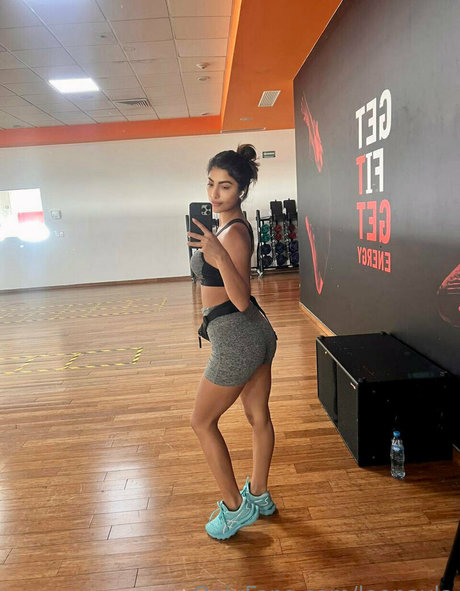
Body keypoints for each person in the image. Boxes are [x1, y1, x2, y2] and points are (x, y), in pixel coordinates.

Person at [187, 144, 278, 540]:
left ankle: (235, 509)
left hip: (238, 337)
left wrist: (218, 255)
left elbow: (240, 299)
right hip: (256, 333)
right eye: (210, 184)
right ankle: (259, 494)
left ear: (241, 190)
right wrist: (214, 249)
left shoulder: (235, 234)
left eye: (225, 186)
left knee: (201, 421)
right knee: (258, 418)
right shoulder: (225, 229)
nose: (214, 193)